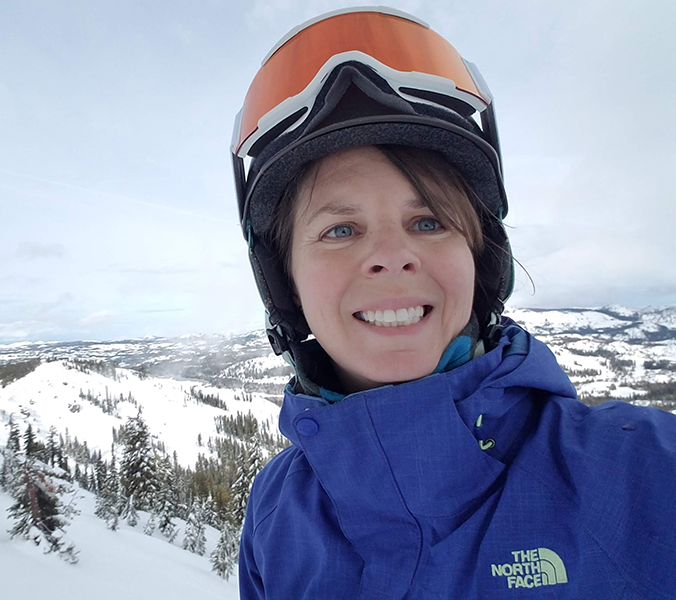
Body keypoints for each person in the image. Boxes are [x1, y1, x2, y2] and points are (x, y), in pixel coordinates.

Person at [230, 7, 676, 600]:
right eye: (340, 230)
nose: (391, 256)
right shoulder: (276, 515)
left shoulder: (643, 473)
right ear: (284, 282)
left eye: (429, 220)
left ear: (481, 256)